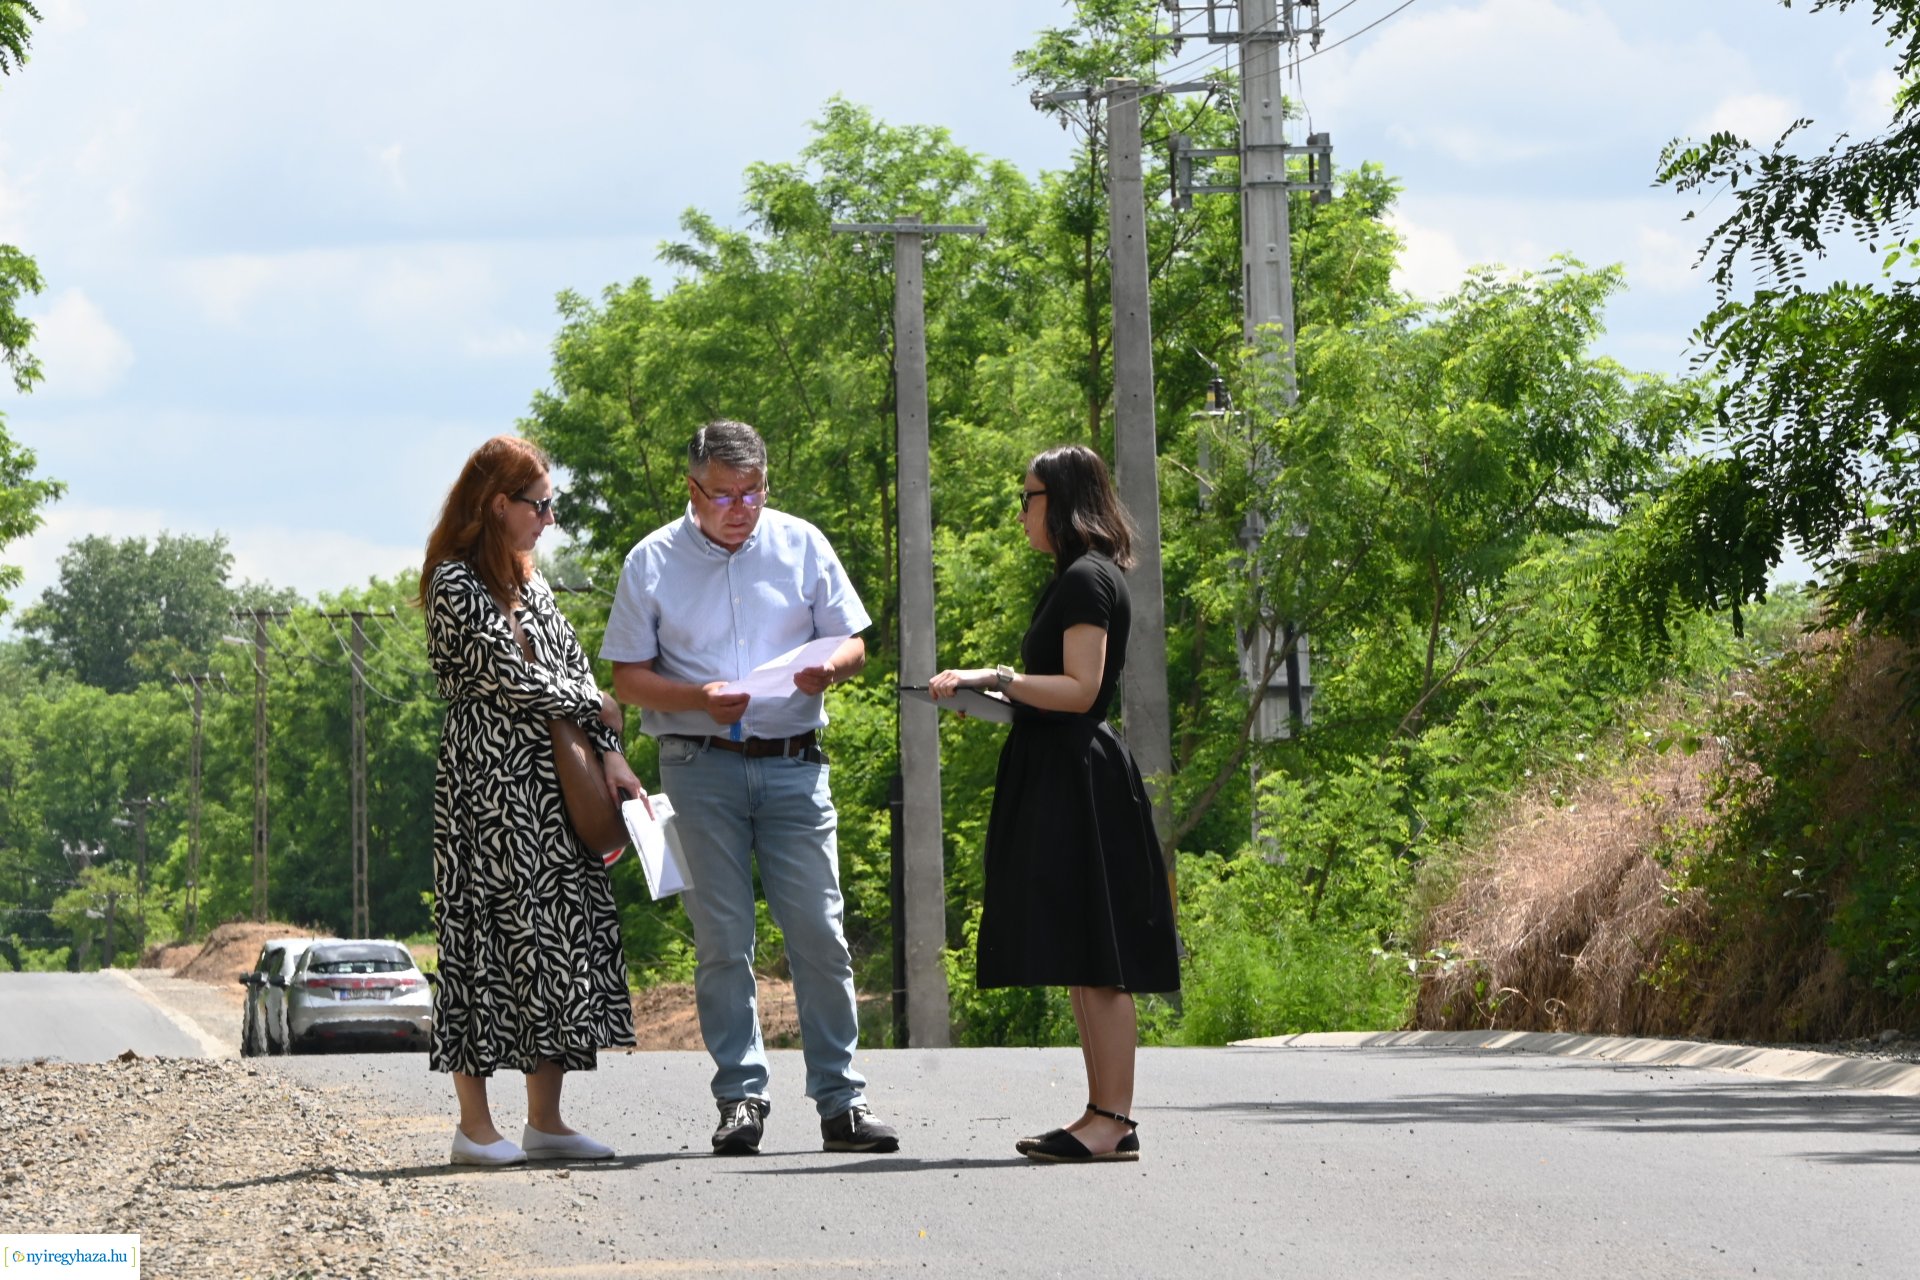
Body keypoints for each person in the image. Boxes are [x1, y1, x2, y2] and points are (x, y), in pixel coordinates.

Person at [602, 419, 899, 1156]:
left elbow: (854, 640)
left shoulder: (802, 543)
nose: (740, 508)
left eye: (753, 492)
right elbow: (628, 677)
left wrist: (831, 669)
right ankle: (740, 1098)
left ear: (768, 483)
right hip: (698, 765)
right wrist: (699, 698)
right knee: (723, 940)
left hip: (795, 760)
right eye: (724, 494)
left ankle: (842, 1102)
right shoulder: (651, 561)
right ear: (693, 489)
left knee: (820, 934)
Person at [928, 443, 1181, 1163]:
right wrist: (993, 689)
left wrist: (999, 677)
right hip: (1063, 772)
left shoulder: (1085, 579)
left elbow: (1079, 690)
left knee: (1100, 955)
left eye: (1028, 496)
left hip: (1081, 776)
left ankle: (1112, 1118)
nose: (1020, 512)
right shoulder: (1075, 578)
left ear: (1062, 501)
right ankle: (1103, 1116)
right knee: (1082, 952)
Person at [420, 434, 640, 1167]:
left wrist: (609, 751)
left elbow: (571, 670)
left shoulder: (534, 584)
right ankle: (474, 1129)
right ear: (497, 505)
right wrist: (595, 703)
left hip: (556, 790)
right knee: (484, 944)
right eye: (540, 506)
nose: (550, 519)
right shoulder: (454, 584)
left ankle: (546, 1120)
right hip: (488, 794)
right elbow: (509, 677)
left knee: (558, 941)